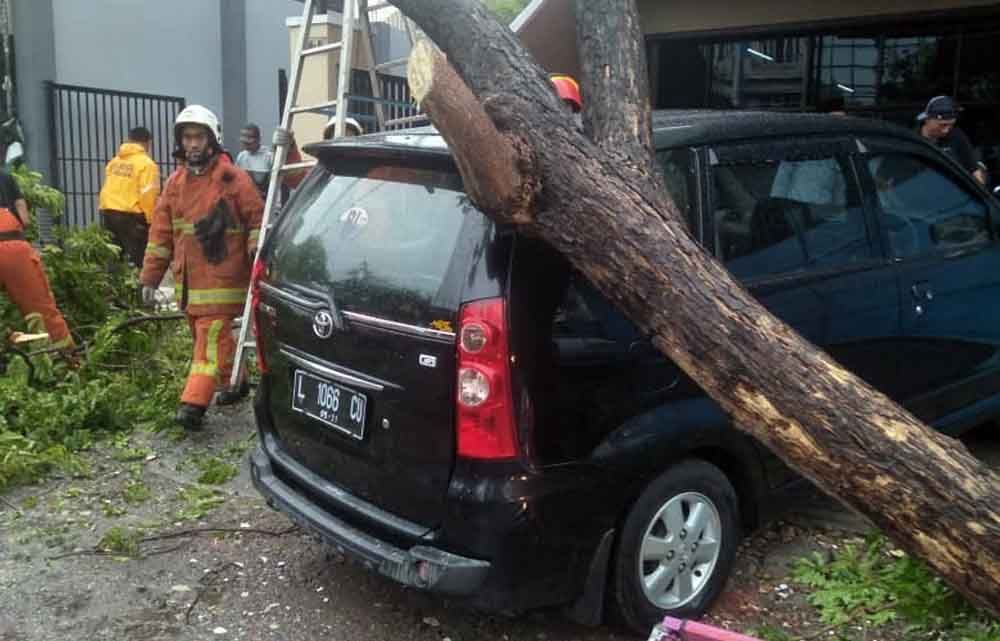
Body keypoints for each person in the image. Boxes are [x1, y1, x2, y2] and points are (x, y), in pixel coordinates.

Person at [139, 105, 263, 430]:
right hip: (189, 284)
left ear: (212, 140)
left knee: (208, 340)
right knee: (208, 335)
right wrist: (150, 277)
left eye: (198, 137)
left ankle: (193, 404)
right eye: (187, 137)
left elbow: (257, 219)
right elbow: (160, 235)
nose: (192, 144)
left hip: (223, 280)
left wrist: (255, 252)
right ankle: (236, 383)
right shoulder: (175, 183)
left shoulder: (232, 178)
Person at [0, 169, 76, 356]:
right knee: (44, 314)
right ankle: (69, 365)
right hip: (12, 244)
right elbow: (24, 219)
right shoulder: (6, 177)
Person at [98, 126, 161, 267]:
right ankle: (138, 288)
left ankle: (113, 287)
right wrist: (151, 221)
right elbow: (148, 195)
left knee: (114, 258)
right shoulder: (146, 164)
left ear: (129, 140)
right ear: (147, 142)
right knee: (139, 260)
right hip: (132, 217)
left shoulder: (115, 162)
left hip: (108, 212)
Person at [916, 95, 987, 186]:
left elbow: (973, 169)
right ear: (927, 120)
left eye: (951, 125)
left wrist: (981, 191)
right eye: (942, 125)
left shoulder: (956, 135)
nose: (946, 130)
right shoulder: (912, 139)